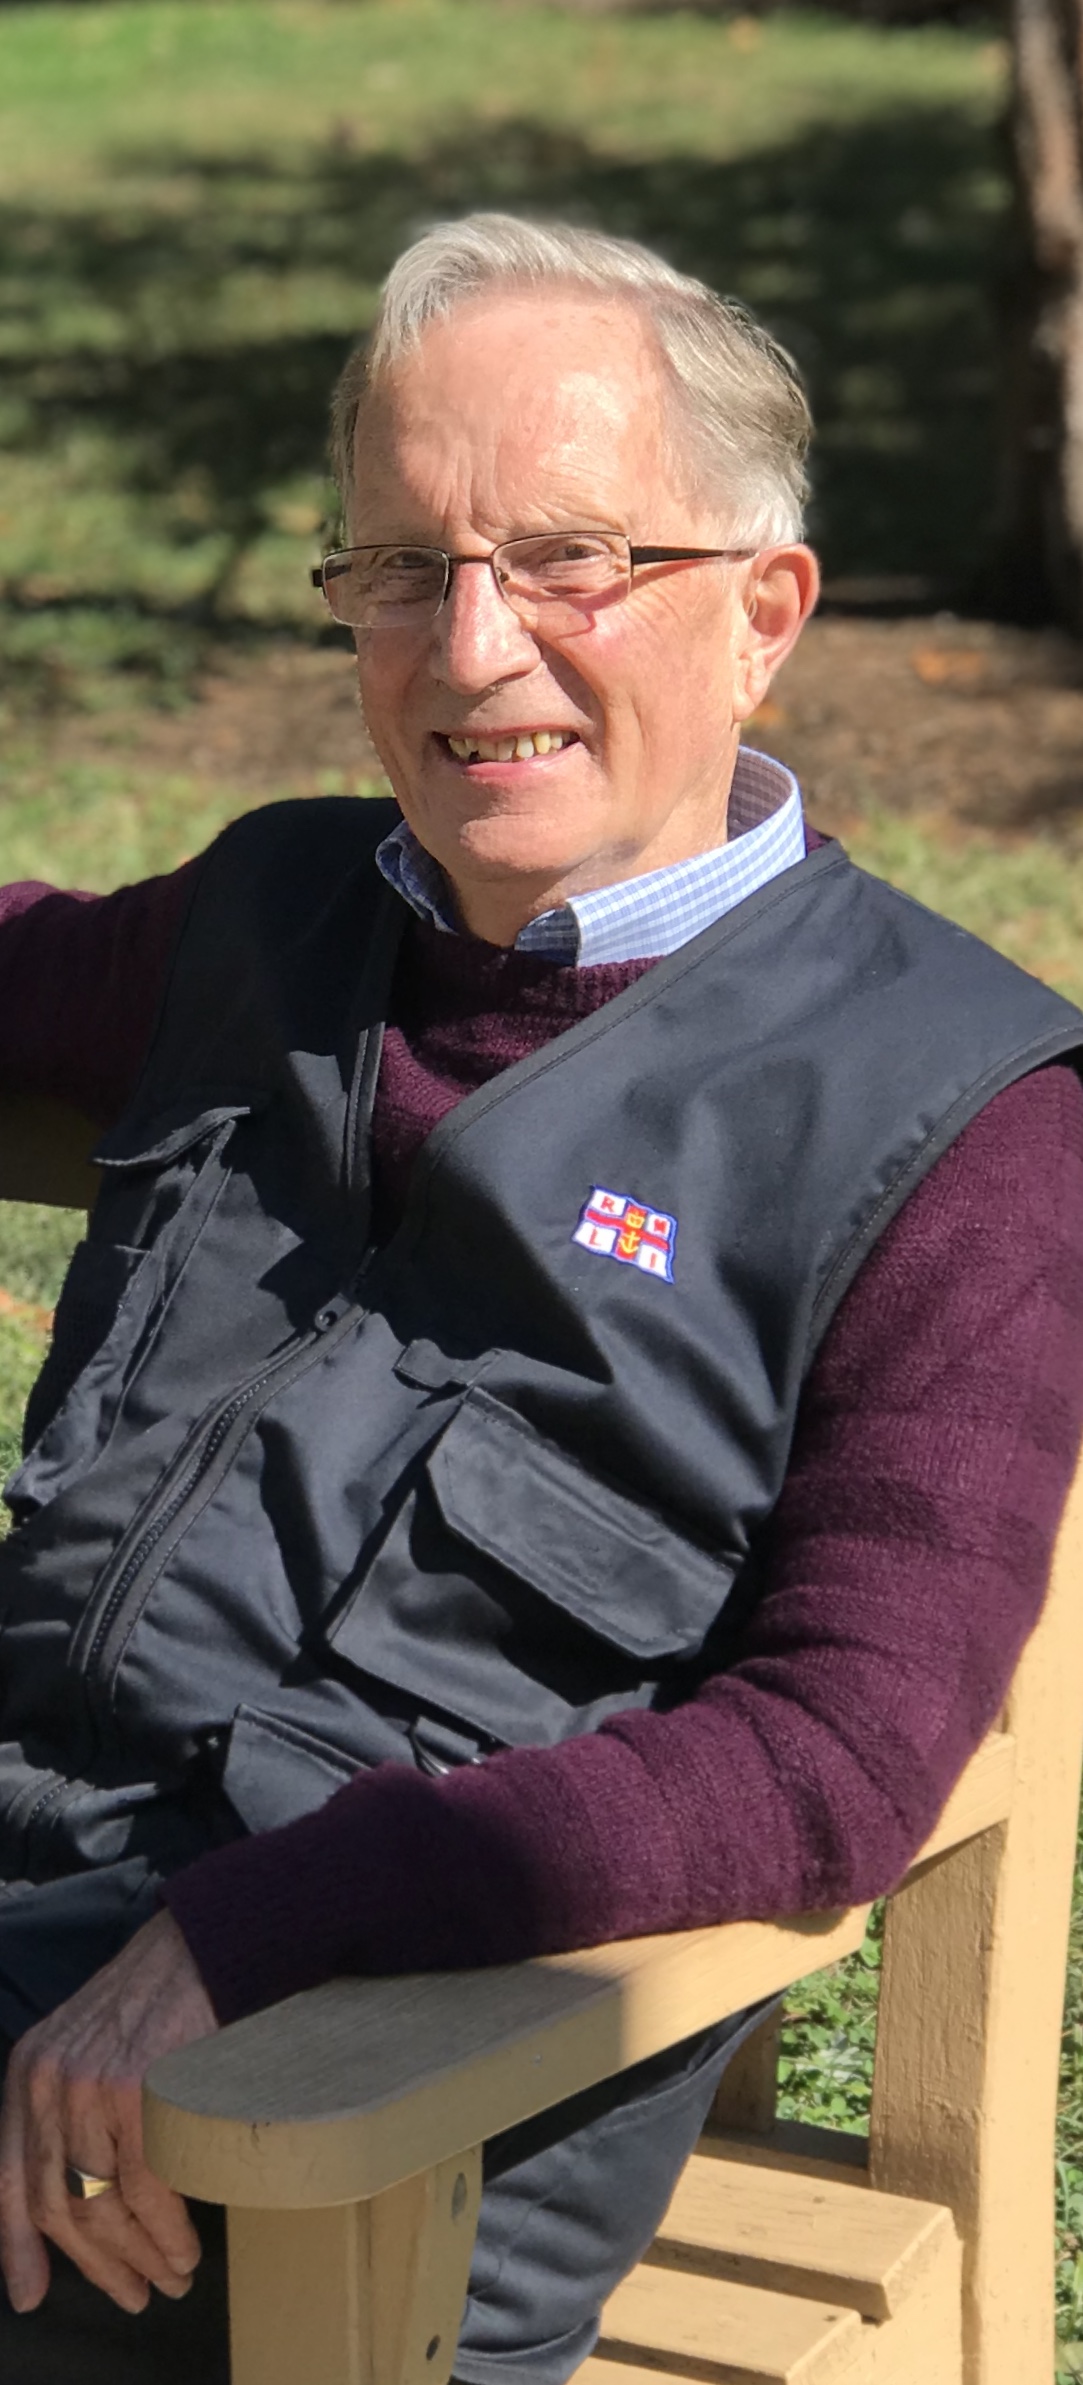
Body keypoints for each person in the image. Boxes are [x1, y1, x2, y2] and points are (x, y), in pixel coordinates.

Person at [0, 212, 1081, 2385]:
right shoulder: (269, 920)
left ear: (763, 613)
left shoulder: (956, 1114)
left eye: (570, 559)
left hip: (355, 2122)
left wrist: (261, 1927)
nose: (473, 645)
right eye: (404, 567)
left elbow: (837, 1753)